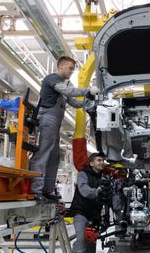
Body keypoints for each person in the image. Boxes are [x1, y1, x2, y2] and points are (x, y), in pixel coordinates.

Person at [29, 56, 99, 200]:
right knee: (44, 154)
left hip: (55, 123)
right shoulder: (52, 79)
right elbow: (68, 92)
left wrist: (89, 101)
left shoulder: (62, 84)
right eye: (70, 68)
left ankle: (47, 190)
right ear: (61, 66)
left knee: (54, 157)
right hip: (48, 118)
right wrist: (87, 91)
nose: (72, 71)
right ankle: (36, 190)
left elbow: (74, 103)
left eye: (73, 69)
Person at [62, 152, 107, 253]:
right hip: (81, 212)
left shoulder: (104, 178)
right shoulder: (83, 174)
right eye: (99, 160)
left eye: (103, 160)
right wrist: (97, 191)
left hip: (94, 215)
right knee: (81, 240)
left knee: (91, 242)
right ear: (91, 163)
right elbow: (84, 190)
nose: (102, 162)